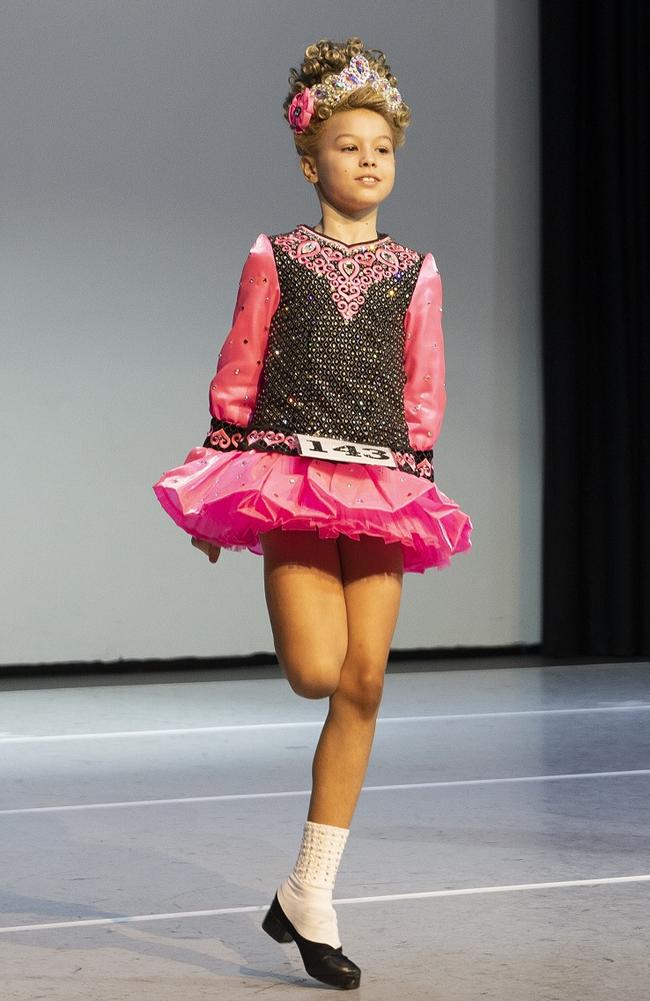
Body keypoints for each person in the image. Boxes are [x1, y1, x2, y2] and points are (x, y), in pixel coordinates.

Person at [152, 35, 473, 991]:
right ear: (310, 159)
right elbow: (241, 367)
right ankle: (304, 892)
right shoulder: (275, 257)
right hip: (290, 473)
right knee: (316, 671)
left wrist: (417, 479)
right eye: (349, 144)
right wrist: (216, 486)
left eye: (382, 145)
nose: (369, 159)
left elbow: (424, 391)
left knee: (366, 680)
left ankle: (311, 889)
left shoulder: (418, 271)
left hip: (384, 484)